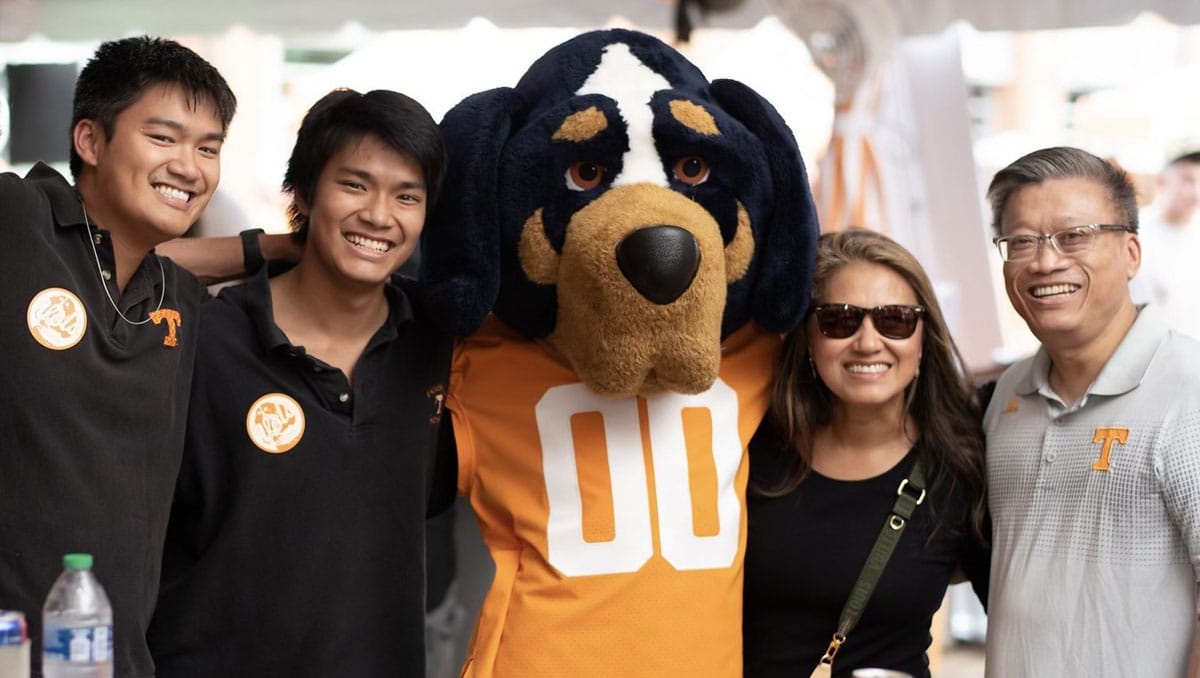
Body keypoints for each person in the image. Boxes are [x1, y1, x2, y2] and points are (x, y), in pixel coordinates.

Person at [147, 88, 452, 677]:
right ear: (306, 193)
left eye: (406, 196)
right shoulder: (203, 342)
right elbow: (102, 275)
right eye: (355, 185)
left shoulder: (440, 349)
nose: (380, 216)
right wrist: (263, 247)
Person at [0, 36, 236, 678]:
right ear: (91, 140)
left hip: (116, 662)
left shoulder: (177, 301)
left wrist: (273, 248)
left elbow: (154, 259)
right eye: (164, 138)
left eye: (209, 148)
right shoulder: (17, 221)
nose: (190, 167)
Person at [983, 146, 1200, 677]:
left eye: (1074, 235)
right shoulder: (1007, 395)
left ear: (1131, 253)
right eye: (1022, 241)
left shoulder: (1188, 390)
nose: (1045, 260)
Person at [742, 229, 988, 678]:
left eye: (895, 320)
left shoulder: (961, 467)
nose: (868, 342)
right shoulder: (751, 446)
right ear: (810, 340)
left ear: (921, 341)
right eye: (840, 320)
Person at [1130, 148, 1200, 338]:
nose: (1196, 192)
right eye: (1187, 180)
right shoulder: (1134, 232)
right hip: (1151, 353)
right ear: (1162, 181)